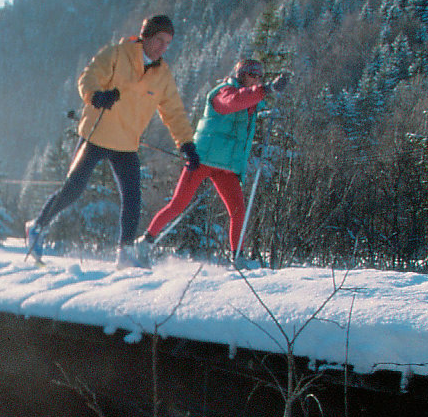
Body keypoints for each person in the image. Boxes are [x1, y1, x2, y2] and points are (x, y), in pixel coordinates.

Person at [26, 14, 196, 266]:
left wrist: (186, 143)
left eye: (168, 43)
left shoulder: (163, 75)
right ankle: (37, 227)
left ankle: (124, 253)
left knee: (132, 197)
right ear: (146, 36)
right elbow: (88, 77)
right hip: (96, 135)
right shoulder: (117, 54)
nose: (163, 47)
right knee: (73, 189)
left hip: (126, 144)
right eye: (159, 40)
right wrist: (96, 96)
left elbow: (173, 111)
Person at [141, 54, 288, 264]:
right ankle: (144, 243)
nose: (256, 78)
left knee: (238, 212)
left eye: (259, 75)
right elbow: (233, 103)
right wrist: (266, 90)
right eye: (252, 74)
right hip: (202, 160)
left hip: (226, 168)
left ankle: (238, 258)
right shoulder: (223, 92)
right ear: (240, 75)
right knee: (177, 205)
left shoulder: (251, 103)